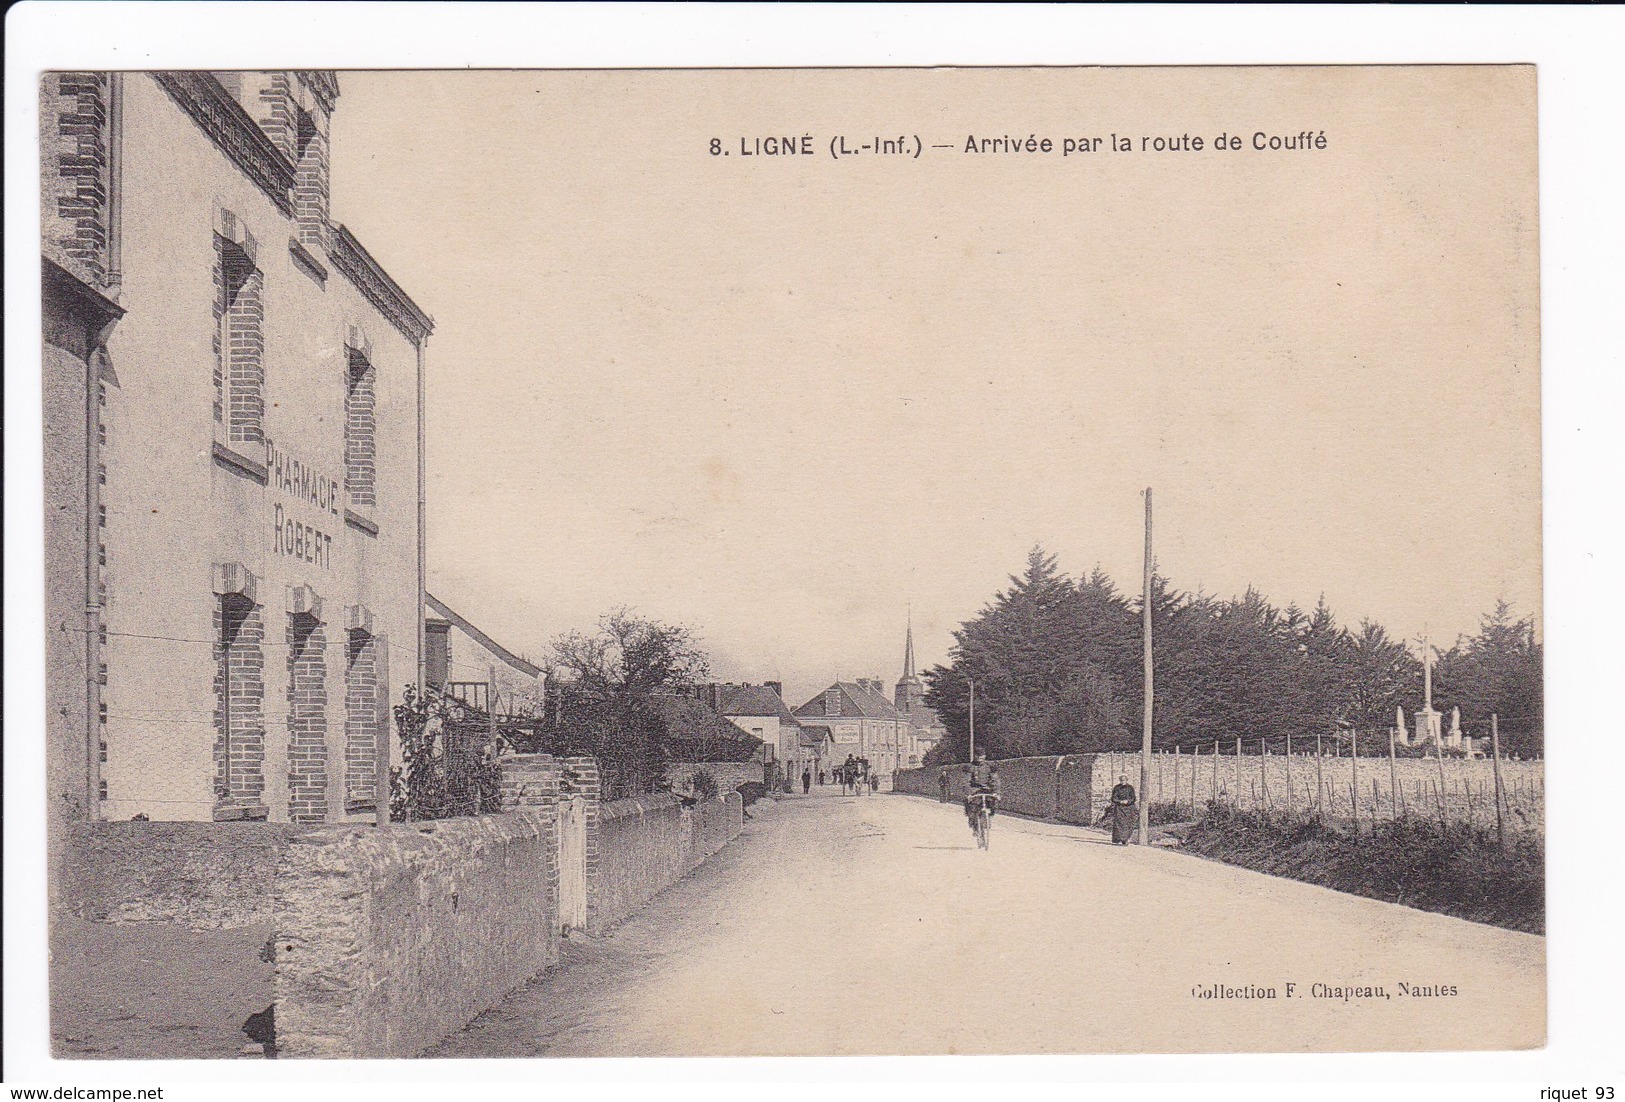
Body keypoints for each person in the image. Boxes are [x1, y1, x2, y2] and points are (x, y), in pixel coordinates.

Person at [964, 750, 1000, 830]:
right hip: (974, 790)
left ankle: (989, 817)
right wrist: (968, 793)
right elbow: (966, 781)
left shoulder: (990, 766)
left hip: (987, 790)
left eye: (982, 755)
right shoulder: (970, 767)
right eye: (978, 755)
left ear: (985, 756)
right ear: (974, 756)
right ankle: (972, 819)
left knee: (993, 802)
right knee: (970, 804)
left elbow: (995, 780)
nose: (980, 757)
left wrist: (996, 792)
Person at [1107, 774, 1137, 845]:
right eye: (1121, 780)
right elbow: (1113, 798)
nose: (1122, 781)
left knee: (1128, 824)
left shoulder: (1130, 788)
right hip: (1119, 808)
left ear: (1126, 780)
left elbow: (1133, 798)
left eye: (1124, 780)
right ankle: (1118, 839)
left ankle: (1125, 839)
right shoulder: (1117, 788)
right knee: (1119, 824)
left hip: (1129, 808)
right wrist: (1119, 801)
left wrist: (1128, 801)